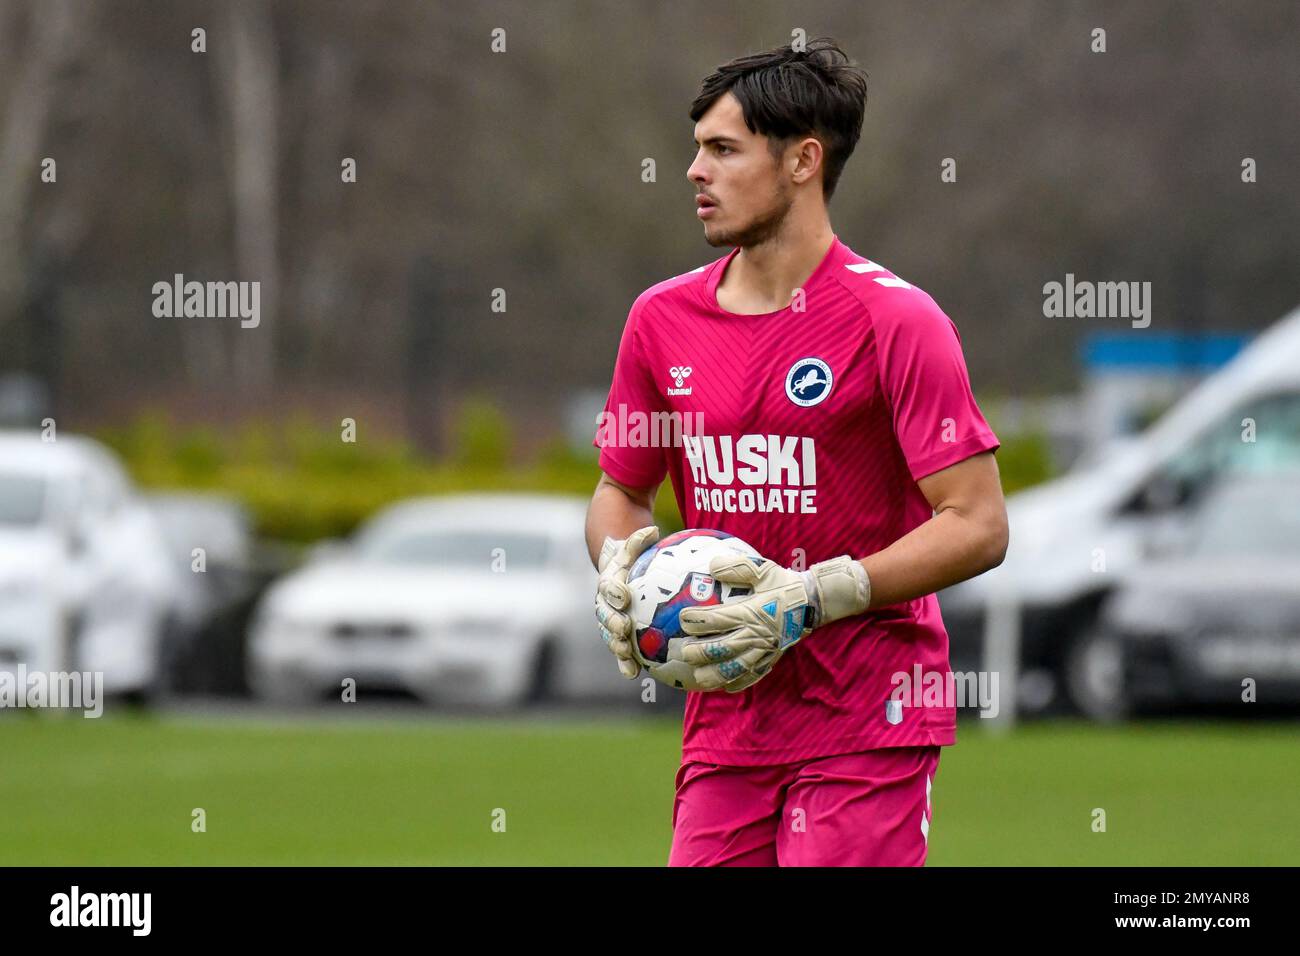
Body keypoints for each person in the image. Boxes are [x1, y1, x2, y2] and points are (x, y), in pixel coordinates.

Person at [585, 37, 1008, 866]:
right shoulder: (658, 320)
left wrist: (816, 594)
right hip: (726, 721)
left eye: (723, 150)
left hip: (869, 718)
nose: (694, 172)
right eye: (695, 148)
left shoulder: (898, 320)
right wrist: (616, 570)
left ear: (803, 161)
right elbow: (619, 491)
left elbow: (979, 523)